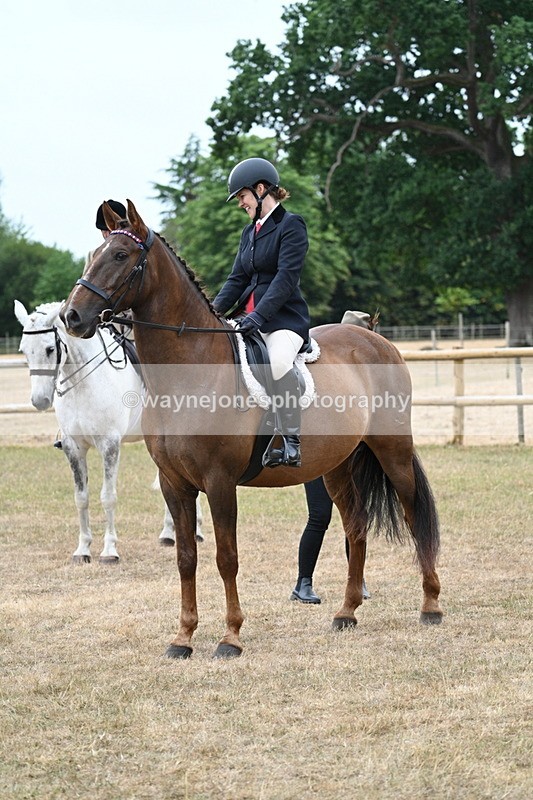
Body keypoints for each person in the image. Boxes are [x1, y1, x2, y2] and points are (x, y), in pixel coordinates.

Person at [212, 157, 311, 468]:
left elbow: (286, 278)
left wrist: (259, 316)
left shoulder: (291, 225)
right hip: (247, 319)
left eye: (241, 197)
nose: (240, 204)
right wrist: (211, 313)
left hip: (282, 319)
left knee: (278, 361)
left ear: (260, 189)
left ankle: (291, 441)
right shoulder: (248, 233)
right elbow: (237, 279)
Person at [291, 309, 377, 604]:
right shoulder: (324, 365)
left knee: (353, 514)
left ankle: (358, 578)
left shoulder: (369, 372)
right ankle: (303, 583)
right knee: (319, 516)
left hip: (352, 453)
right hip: (321, 450)